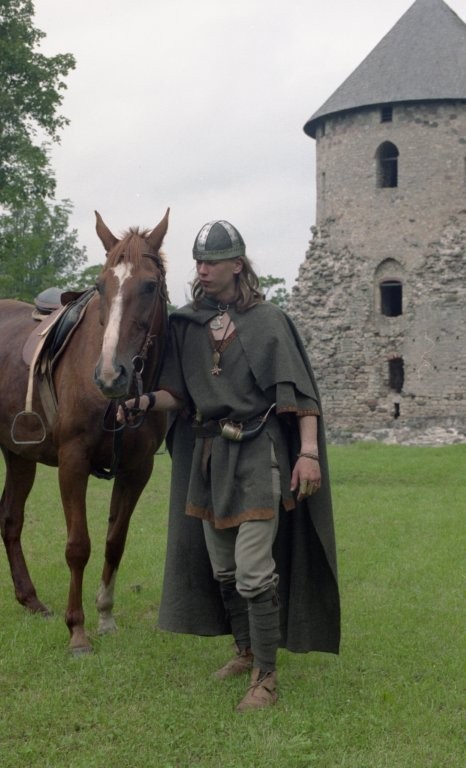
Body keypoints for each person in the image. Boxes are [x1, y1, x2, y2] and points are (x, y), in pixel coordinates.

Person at [118, 219, 340, 712]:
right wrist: (141, 403)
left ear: (237, 265)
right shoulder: (187, 323)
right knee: (224, 568)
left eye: (212, 262)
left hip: (259, 454)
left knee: (254, 572)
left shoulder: (268, 321)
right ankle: (245, 651)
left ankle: (266, 677)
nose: (202, 269)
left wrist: (307, 454)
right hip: (208, 457)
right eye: (198, 261)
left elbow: (300, 397)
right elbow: (177, 393)